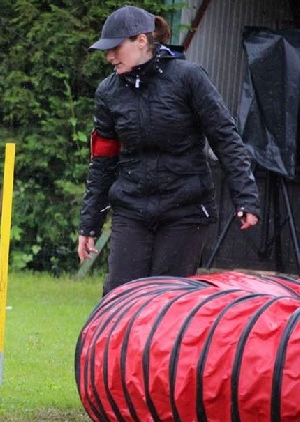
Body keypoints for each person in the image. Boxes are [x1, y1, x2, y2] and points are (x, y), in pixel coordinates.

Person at [77, 5, 260, 296]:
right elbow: (102, 161)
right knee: (119, 296)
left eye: (115, 48)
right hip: (132, 208)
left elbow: (225, 137)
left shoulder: (189, 78)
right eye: (105, 50)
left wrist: (246, 196)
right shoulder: (108, 92)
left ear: (141, 41)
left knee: (166, 300)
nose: (109, 57)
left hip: (185, 209)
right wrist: (89, 224)